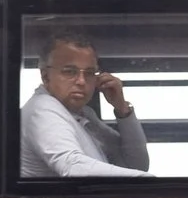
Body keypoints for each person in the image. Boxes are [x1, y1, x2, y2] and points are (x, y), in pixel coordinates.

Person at [21, 33, 151, 180]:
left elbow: (136, 164)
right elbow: (72, 167)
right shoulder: (42, 108)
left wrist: (122, 108)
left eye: (89, 73)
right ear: (46, 76)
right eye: (70, 72)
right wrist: (152, 183)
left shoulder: (84, 113)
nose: (82, 82)